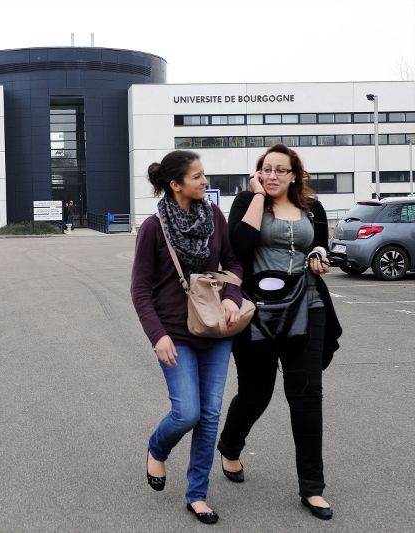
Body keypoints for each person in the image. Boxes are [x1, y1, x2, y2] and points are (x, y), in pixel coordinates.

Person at [217, 144, 341, 521]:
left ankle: (312, 488)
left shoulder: (311, 205)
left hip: (307, 306)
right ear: (258, 173)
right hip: (257, 311)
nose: (271, 176)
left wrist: (319, 255)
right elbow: (239, 246)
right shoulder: (245, 202)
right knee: (256, 393)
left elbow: (320, 241)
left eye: (279, 170)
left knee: (306, 395)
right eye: (265, 169)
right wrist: (257, 196)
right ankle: (231, 445)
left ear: (293, 175)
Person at [131, 150, 243, 525]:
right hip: (175, 334)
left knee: (210, 414)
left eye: (203, 175)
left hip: (214, 329)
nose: (204, 181)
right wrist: (156, 335)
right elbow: (140, 289)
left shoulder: (214, 217)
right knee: (187, 412)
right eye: (197, 177)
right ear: (176, 184)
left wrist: (232, 298)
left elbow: (233, 262)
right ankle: (157, 448)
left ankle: (197, 494)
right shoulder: (153, 227)